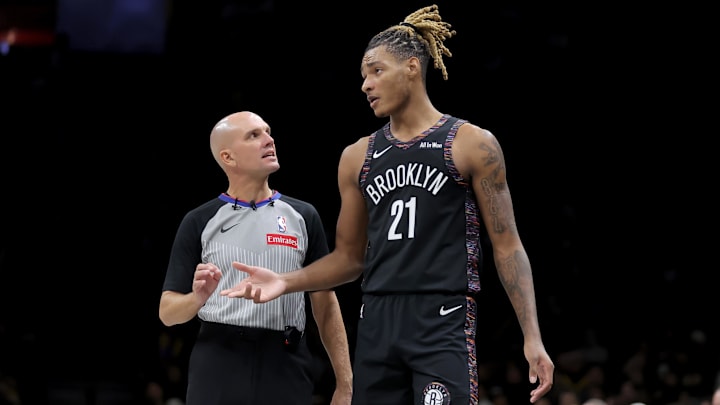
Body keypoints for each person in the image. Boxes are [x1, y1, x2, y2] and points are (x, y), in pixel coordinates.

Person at [220, 5, 554, 404]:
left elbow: (507, 245)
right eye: (363, 75)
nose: (365, 84)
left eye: (376, 70)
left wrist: (532, 336)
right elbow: (348, 258)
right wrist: (286, 281)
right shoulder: (357, 156)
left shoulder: (472, 143)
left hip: (442, 317)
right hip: (376, 321)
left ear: (412, 67)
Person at [158, 111, 353, 405]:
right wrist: (197, 298)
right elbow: (167, 313)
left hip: (285, 360)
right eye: (254, 135)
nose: (269, 140)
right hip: (218, 360)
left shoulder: (304, 216)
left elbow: (325, 304)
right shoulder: (199, 220)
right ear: (228, 157)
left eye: (268, 131)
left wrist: (345, 384)